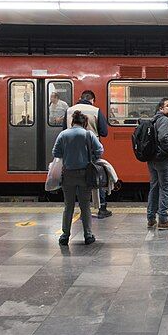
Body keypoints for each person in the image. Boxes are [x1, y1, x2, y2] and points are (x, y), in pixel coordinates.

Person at [52, 110, 103, 246]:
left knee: (68, 206)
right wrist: (91, 157)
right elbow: (99, 150)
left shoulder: (63, 134)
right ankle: (88, 235)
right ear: (85, 123)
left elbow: (55, 152)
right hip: (85, 174)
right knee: (85, 205)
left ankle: (65, 236)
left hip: (68, 174)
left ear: (72, 122)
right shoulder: (88, 134)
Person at [65, 90, 111, 218]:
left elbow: (64, 130)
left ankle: (82, 208)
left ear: (80, 98)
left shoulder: (69, 110)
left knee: (77, 178)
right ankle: (102, 208)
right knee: (97, 176)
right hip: (91, 149)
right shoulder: (95, 110)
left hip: (72, 151)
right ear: (92, 100)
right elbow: (104, 132)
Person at [147, 98, 168, 230]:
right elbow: (163, 137)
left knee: (154, 188)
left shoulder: (154, 120)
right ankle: (163, 220)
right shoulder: (164, 120)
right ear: (161, 108)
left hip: (152, 159)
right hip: (163, 160)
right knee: (166, 188)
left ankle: (151, 218)